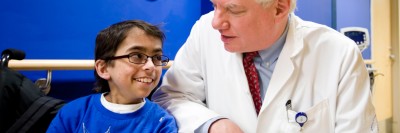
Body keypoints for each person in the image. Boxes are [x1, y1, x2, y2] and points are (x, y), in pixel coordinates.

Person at [151, 0, 378, 132]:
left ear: (279, 8)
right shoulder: (204, 33)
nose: (216, 22)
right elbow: (173, 96)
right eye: (215, 5)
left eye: (233, 9)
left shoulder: (339, 54)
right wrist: (211, 124)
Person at [47, 20, 178, 133]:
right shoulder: (73, 113)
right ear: (104, 68)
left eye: (157, 57)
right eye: (137, 56)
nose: (150, 66)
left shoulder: (162, 123)